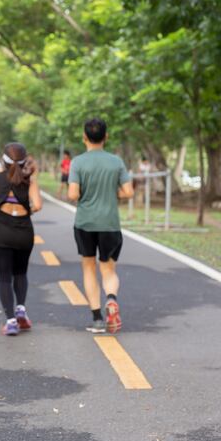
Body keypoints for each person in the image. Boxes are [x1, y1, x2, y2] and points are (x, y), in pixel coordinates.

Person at [68, 118, 133, 334]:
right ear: (106, 137)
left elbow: (73, 194)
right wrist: (111, 193)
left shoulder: (78, 162)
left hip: (85, 222)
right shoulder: (116, 162)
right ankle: (111, 299)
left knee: (89, 267)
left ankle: (97, 319)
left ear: (84, 137)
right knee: (108, 269)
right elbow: (128, 192)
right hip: (110, 223)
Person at [0, 143, 42, 336]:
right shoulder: (29, 181)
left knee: (4, 278)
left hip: (1, 232)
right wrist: (24, 211)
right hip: (24, 232)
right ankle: (21, 309)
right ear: (24, 160)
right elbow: (38, 205)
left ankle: (10, 321)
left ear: (4, 160)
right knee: (21, 273)